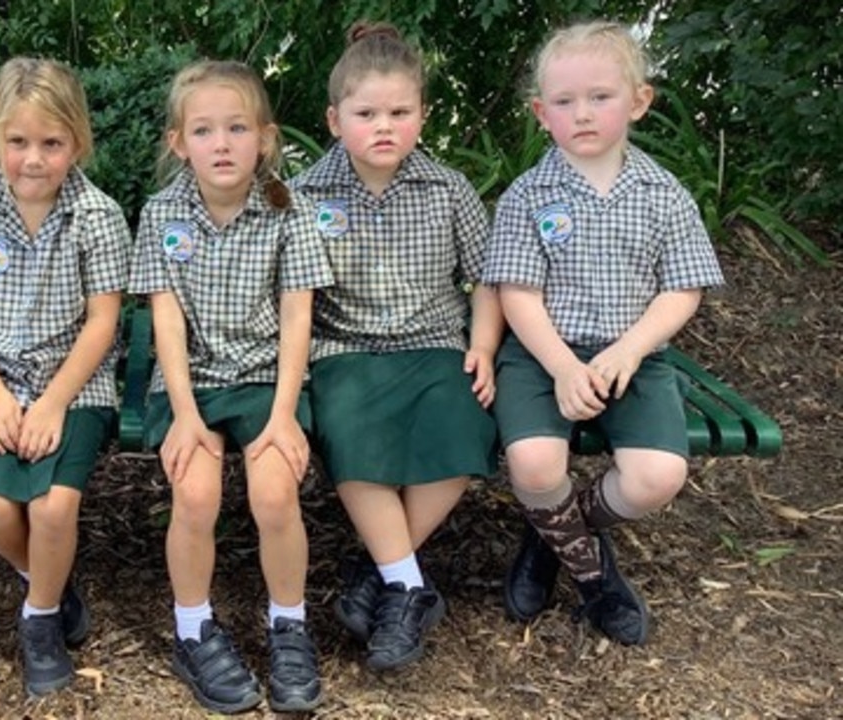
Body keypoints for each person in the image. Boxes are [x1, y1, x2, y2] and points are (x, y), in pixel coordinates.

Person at [483, 20, 724, 646]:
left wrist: (629, 349)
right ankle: (594, 577)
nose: (582, 113)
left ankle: (552, 533)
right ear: (542, 112)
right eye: (564, 102)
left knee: (657, 476)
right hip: (541, 356)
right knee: (534, 462)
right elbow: (518, 295)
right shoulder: (527, 195)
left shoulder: (662, 194)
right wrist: (563, 366)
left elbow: (682, 289)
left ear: (639, 101)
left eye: (600, 97)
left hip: (635, 355)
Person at [290, 21, 502, 671]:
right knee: (352, 438)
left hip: (434, 341)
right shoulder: (305, 196)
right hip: (344, 348)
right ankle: (409, 587)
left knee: (465, 423)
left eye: (400, 112)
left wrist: (484, 348)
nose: (384, 126)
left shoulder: (448, 190)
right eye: (366, 113)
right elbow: (294, 294)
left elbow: (486, 278)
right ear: (334, 119)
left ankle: (376, 571)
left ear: (423, 116)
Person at [128, 60, 335, 714]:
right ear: (178, 142)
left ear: (264, 138)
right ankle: (192, 630)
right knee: (195, 493)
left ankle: (289, 625)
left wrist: (282, 416)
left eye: (237, 128)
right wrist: (185, 417)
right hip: (189, 384)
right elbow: (165, 321)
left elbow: (299, 317)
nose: (221, 143)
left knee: (275, 495)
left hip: (266, 382)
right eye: (205, 130)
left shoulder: (289, 210)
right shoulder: (163, 213)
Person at [0, 57, 129, 697]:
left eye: (52, 143)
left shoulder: (95, 214)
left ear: (78, 142)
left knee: (53, 505)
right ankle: (50, 580)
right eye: (18, 142)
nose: (34, 159)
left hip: (74, 384)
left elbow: (102, 322)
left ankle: (39, 619)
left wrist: (50, 405)